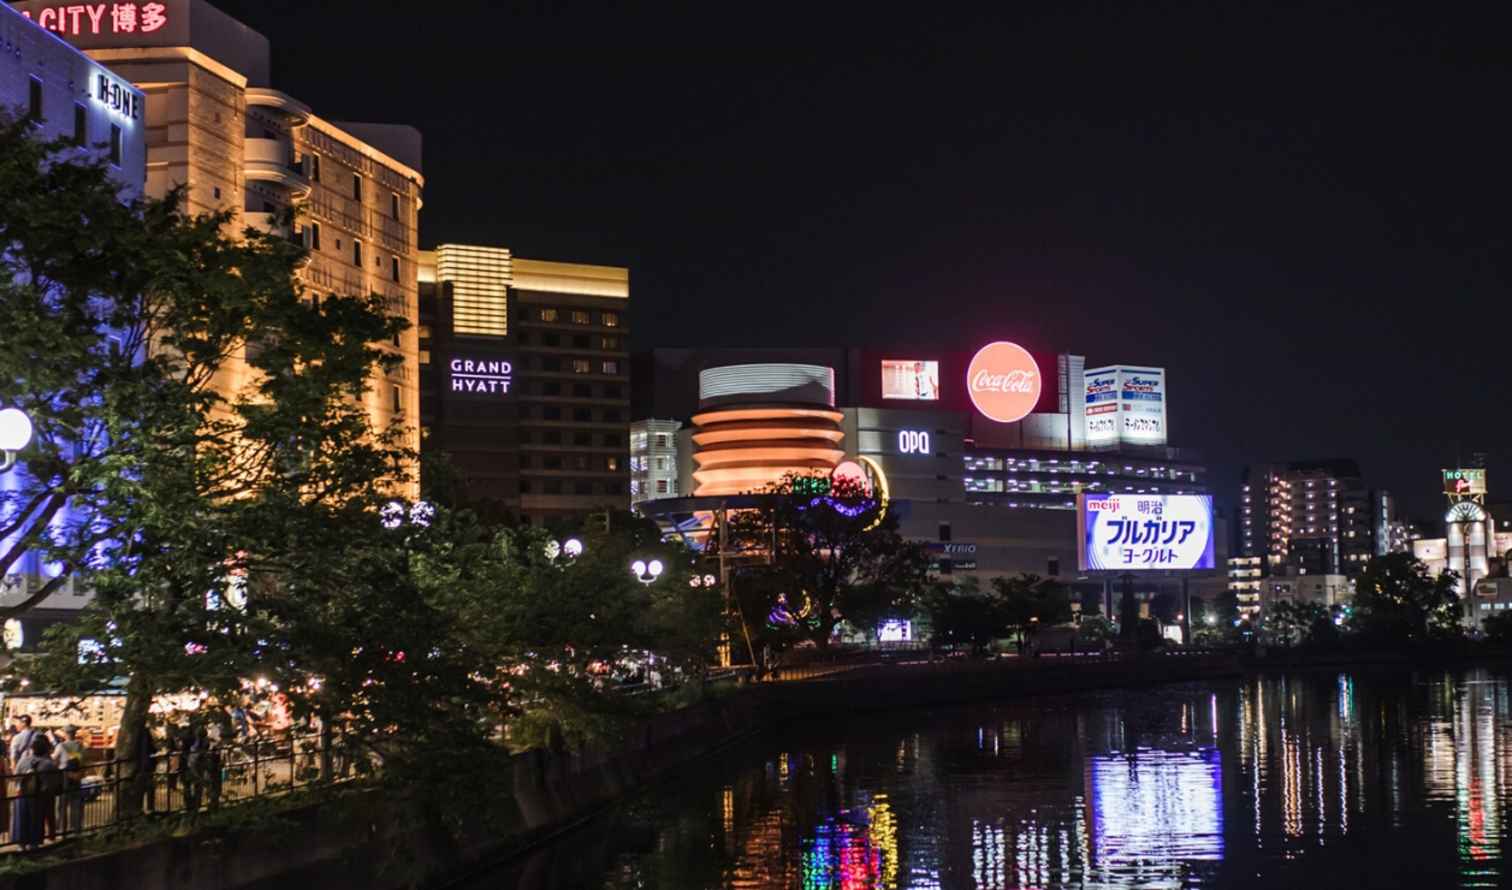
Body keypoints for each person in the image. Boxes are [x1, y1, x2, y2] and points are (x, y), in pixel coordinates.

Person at [15, 737, 60, 848]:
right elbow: (52, 784)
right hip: (39, 797)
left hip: (23, 796)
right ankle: (34, 846)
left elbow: (16, 777)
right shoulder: (49, 764)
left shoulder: (23, 761)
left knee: (23, 819)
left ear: (32, 749)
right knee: (36, 821)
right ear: (46, 750)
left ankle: (21, 844)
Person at [53, 725, 86, 836]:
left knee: (61, 805)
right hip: (77, 776)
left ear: (66, 733)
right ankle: (76, 828)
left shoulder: (61, 746)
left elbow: (55, 760)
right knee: (76, 804)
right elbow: (83, 761)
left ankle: (61, 829)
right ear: (74, 733)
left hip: (64, 777)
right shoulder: (80, 746)